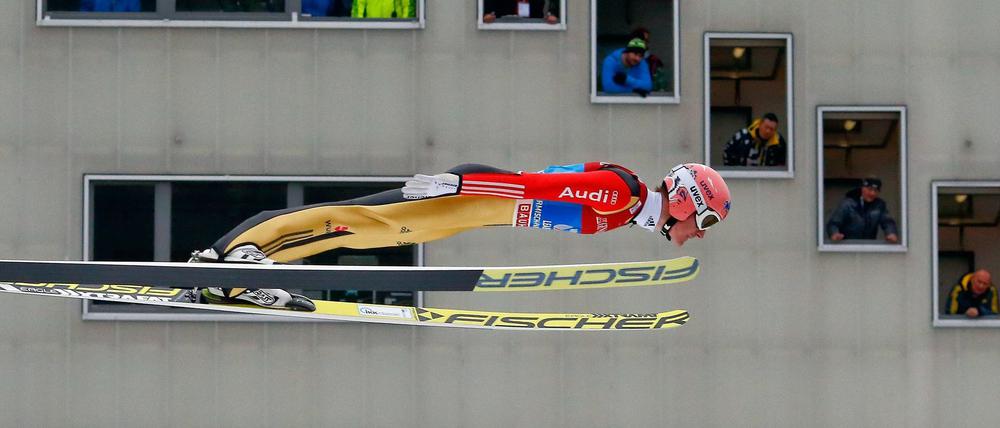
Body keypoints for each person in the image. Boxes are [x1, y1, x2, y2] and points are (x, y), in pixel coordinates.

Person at [189, 162, 733, 311]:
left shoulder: (627, 210)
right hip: (470, 198)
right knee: (349, 220)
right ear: (685, 200)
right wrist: (459, 183)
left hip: (472, 211)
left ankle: (238, 272)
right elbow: (532, 184)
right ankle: (225, 262)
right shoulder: (622, 193)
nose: (700, 233)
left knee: (353, 232)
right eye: (705, 220)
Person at [826, 177, 899, 243]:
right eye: (870, 189)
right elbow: (833, 223)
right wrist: (834, 234)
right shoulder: (847, 204)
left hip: (868, 247)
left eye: (876, 191)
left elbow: (887, 222)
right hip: (847, 246)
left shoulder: (879, 205)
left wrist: (891, 233)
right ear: (863, 189)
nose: (872, 193)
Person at [722, 113, 787, 167]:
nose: (768, 131)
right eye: (766, 127)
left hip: (767, 179)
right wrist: (732, 170)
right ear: (760, 124)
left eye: (772, 129)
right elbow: (727, 151)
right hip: (741, 176)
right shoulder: (742, 136)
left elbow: (781, 164)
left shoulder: (779, 143)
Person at [482, 0, 559, 24]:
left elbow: (539, 15)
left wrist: (552, 14)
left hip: (531, 33)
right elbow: (487, 14)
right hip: (500, 32)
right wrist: (486, 14)